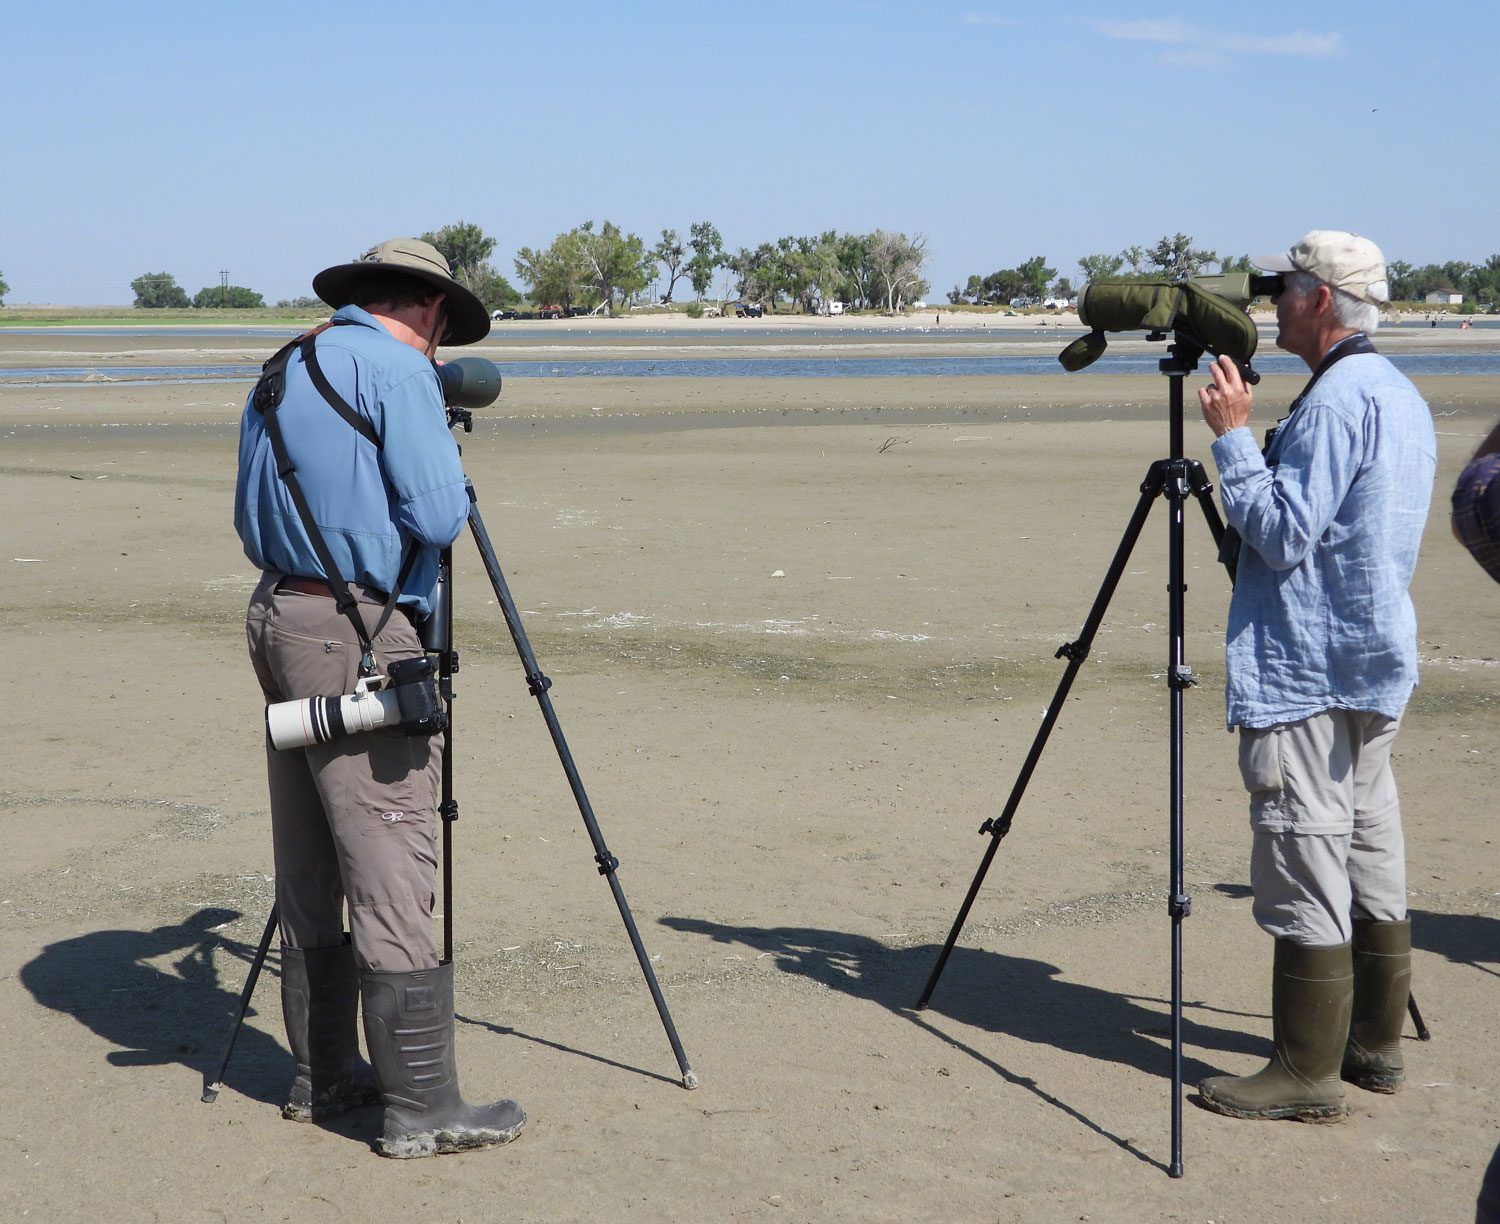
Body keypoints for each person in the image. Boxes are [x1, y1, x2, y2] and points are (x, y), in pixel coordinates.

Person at [234, 238, 525, 1158]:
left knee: (311, 854)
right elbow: (442, 517)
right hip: (356, 632)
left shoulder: (286, 365)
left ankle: (325, 1076)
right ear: (433, 313)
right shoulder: (396, 371)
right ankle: (422, 1106)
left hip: (278, 613)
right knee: (393, 852)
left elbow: (248, 510)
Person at [1194, 230, 1436, 1122]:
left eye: (1287, 287)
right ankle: (1372, 1047)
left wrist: (1231, 440)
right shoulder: (1399, 395)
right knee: (1370, 849)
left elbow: (1285, 532)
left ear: (1322, 300)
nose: (1273, 301)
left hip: (1308, 666)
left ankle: (1305, 1070)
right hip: (1372, 660)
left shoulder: (1338, 401)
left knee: (1303, 846)